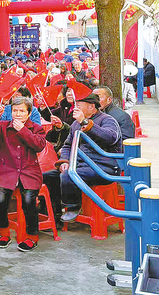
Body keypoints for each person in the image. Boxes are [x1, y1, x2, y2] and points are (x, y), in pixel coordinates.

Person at [0, 97, 47, 252]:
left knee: (29, 201)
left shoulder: (36, 128)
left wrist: (23, 130)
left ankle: (32, 236)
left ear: (29, 113)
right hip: (7, 171)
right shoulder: (3, 126)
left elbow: (38, 145)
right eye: (15, 111)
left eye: (22, 111)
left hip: (29, 172)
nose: (17, 114)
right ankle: (4, 232)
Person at [45, 93, 122, 223]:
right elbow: (68, 145)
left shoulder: (107, 120)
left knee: (69, 175)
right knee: (48, 176)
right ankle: (55, 214)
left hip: (103, 166)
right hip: (80, 165)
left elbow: (111, 138)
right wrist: (64, 161)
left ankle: (73, 207)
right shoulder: (75, 124)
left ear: (91, 107)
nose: (75, 108)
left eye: (79, 105)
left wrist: (86, 123)